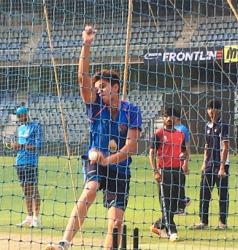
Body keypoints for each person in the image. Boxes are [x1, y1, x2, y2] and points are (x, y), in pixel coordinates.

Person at [47, 25, 142, 250]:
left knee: (116, 221)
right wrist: (86, 44)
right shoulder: (96, 107)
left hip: (119, 168)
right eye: (97, 87)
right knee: (89, 190)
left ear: (116, 87)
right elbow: (82, 79)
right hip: (94, 162)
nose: (98, 90)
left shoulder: (132, 110)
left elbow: (131, 147)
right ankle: (64, 243)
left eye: (103, 87)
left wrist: (109, 159)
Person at [150, 108, 189, 242]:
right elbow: (151, 153)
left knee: (176, 203)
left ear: (175, 119)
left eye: (171, 116)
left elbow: (185, 151)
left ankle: (157, 225)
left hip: (178, 171)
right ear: (163, 118)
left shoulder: (180, 134)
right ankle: (172, 231)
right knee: (165, 202)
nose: (169, 119)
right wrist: (155, 170)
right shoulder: (159, 133)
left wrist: (184, 157)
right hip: (164, 171)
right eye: (166, 116)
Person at [194, 99, 230, 230]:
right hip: (209, 164)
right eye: (209, 109)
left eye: (214, 109)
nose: (211, 111)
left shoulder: (223, 125)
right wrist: (204, 163)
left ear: (219, 110)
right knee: (204, 193)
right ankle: (203, 221)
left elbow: (225, 147)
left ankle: (222, 222)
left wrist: (222, 167)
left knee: (223, 195)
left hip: (221, 165)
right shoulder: (207, 126)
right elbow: (207, 146)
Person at [11, 106, 43, 228]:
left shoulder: (36, 127)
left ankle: (36, 217)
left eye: (21, 115)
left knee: (33, 189)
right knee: (25, 190)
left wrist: (22, 146)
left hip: (31, 162)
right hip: (20, 162)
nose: (19, 118)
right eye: (18, 116)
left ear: (26, 114)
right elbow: (20, 145)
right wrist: (15, 146)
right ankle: (29, 216)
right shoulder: (20, 129)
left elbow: (37, 145)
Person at [173, 113, 192, 214]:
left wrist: (186, 162)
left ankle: (182, 206)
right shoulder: (173, 128)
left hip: (180, 161)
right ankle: (183, 202)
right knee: (175, 185)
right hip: (173, 161)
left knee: (179, 184)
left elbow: (187, 145)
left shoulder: (182, 129)